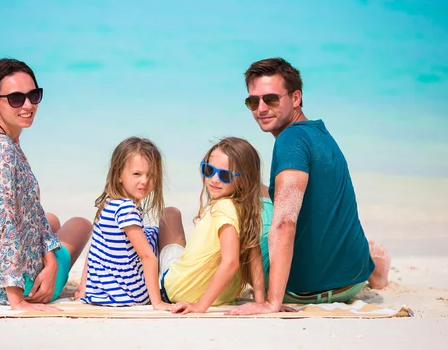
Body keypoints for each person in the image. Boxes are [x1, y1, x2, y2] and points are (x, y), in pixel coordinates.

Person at [228, 57, 390, 315]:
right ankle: (374, 268)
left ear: (295, 98)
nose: (261, 108)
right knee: (246, 186)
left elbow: (284, 223)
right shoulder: (320, 133)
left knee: (235, 207)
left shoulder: (289, 140)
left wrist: (272, 303)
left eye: (271, 99)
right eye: (252, 101)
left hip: (303, 290)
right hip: (352, 281)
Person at [0, 58, 92, 311]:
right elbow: (5, 224)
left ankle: (45, 265)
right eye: (16, 99)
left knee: (49, 218)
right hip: (20, 287)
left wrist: (50, 261)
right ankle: (32, 282)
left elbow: (30, 213)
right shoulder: (4, 152)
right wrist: (16, 298)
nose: (28, 105)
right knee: (80, 224)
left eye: (33, 95)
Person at [159, 137, 267, 314]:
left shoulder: (223, 208)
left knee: (170, 214)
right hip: (219, 297)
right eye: (208, 170)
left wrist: (200, 306)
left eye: (225, 175)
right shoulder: (246, 212)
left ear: (244, 179)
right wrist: (261, 301)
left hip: (175, 289)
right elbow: (254, 255)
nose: (214, 179)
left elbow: (231, 262)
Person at [75, 137, 180, 310]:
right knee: (160, 228)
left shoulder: (108, 203)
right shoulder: (126, 209)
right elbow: (147, 256)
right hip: (130, 293)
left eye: (151, 175)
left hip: (101, 292)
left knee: (149, 231)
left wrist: (84, 287)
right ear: (118, 175)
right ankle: (176, 279)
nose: (144, 181)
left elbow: (94, 248)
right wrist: (157, 302)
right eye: (137, 174)